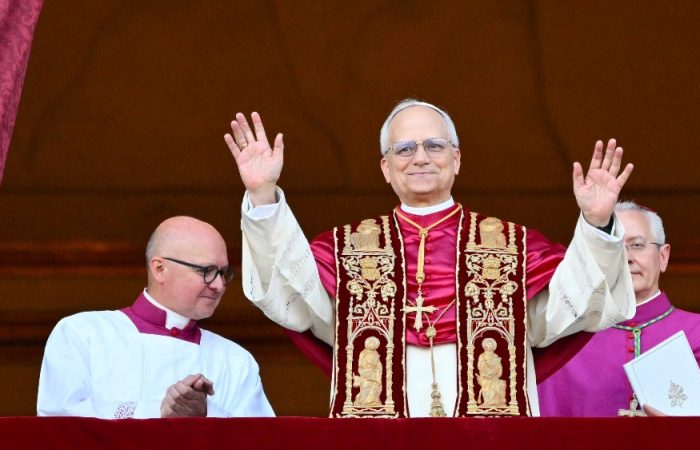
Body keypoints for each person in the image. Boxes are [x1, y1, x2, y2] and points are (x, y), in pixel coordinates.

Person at [225, 99, 636, 417]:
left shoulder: (513, 245)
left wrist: (597, 225)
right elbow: (290, 298)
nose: (420, 157)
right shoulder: (346, 249)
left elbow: (571, 310)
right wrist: (263, 197)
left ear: (457, 159)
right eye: (404, 148)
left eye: (434, 145)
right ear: (385, 168)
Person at [537, 201, 700, 416]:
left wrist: (697, 432)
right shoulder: (563, 346)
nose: (627, 257)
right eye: (614, 248)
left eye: (637, 245)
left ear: (663, 257)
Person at [37, 216, 275, 418]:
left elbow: (262, 440)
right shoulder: (82, 334)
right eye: (207, 271)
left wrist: (205, 414)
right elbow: (61, 426)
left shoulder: (237, 361)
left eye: (223, 273)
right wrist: (157, 410)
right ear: (160, 269)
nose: (219, 285)